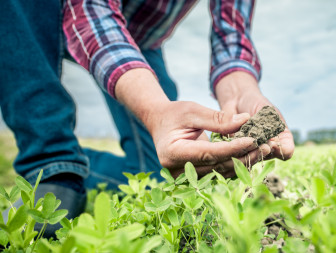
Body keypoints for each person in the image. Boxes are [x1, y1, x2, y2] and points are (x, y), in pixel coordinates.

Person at [1, 0, 294, 237]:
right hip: (56, 11)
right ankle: (50, 162)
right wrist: (154, 109)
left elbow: (232, 32)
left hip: (138, 40)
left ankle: (72, 164)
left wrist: (242, 93)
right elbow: (89, 10)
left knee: (163, 175)